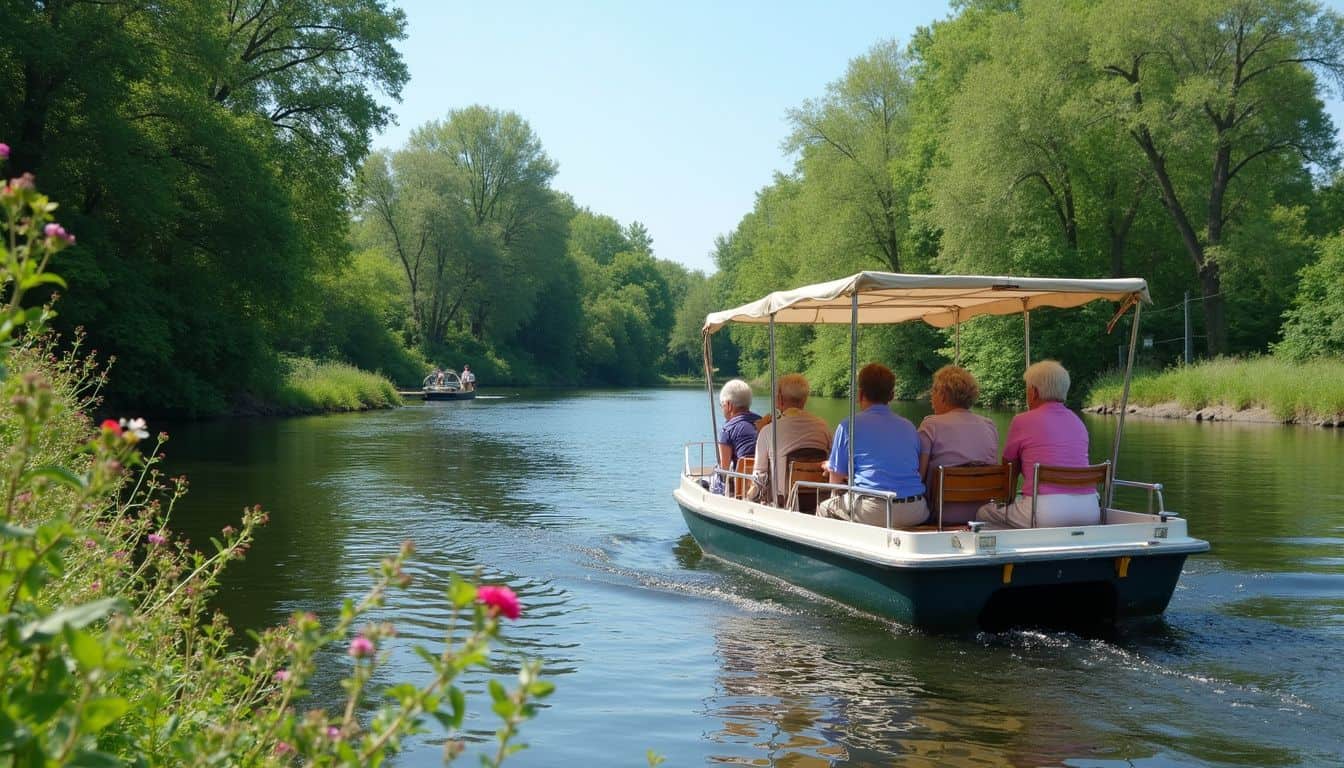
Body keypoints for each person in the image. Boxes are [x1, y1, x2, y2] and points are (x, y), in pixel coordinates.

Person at [977, 360, 1099, 528]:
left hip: (1044, 513)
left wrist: (1008, 499)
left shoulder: (1022, 420)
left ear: (1034, 392)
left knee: (983, 513)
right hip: (1089, 511)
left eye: (1027, 389)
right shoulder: (1078, 422)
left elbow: (1009, 466)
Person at [817, 363, 928, 527]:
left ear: (860, 394)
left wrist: (831, 469)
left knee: (824, 508)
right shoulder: (909, 426)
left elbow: (836, 478)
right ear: (891, 395)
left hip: (873, 509)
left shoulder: (848, 426)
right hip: (916, 510)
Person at [917, 365, 1000, 524]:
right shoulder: (989, 425)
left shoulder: (930, 426)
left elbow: (918, 476)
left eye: (933, 391)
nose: (931, 398)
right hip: (982, 513)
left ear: (942, 394)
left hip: (941, 515)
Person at [750, 373, 831, 505]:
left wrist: (749, 499)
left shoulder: (768, 430)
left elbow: (759, 476)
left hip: (783, 503)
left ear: (780, 399)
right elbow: (833, 462)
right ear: (805, 400)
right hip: (818, 500)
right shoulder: (823, 427)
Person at [711, 379, 761, 495]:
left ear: (729, 405)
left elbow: (724, 469)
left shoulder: (728, 429)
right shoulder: (762, 422)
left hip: (743, 486)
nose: (722, 409)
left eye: (722, 405)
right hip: (764, 481)